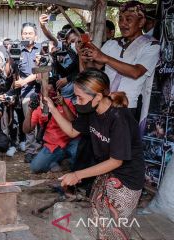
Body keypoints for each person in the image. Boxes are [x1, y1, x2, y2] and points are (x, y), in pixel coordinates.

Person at [46, 69, 144, 240]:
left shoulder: (119, 118)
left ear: (98, 97)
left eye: (80, 97)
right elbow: (71, 131)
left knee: (114, 232)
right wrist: (52, 108)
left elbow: (116, 161)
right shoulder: (90, 111)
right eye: (75, 96)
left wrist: (77, 175)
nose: (76, 102)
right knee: (96, 224)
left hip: (127, 179)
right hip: (105, 173)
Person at [80, 1, 160, 120]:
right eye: (120, 19)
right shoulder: (112, 43)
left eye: (128, 19)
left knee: (120, 138)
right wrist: (83, 58)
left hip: (127, 106)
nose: (123, 24)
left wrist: (105, 58)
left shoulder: (151, 45)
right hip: (104, 102)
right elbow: (92, 71)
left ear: (141, 22)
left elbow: (136, 72)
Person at [23, 86, 79, 173]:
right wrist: (30, 110)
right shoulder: (39, 108)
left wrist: (63, 104)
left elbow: (74, 121)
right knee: (35, 167)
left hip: (70, 141)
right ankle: (57, 162)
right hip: (52, 145)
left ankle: (66, 162)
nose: (48, 94)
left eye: (51, 91)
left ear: (56, 92)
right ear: (40, 94)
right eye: (45, 91)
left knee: (79, 152)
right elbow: (26, 130)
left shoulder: (66, 102)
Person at [14, 22, 41, 163]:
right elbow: (13, 72)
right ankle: (31, 151)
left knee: (43, 122)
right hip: (26, 93)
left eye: (30, 33)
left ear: (36, 36)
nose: (27, 35)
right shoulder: (17, 51)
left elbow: (41, 72)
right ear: (21, 35)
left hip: (43, 90)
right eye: (25, 33)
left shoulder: (42, 49)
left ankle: (41, 150)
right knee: (29, 121)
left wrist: (24, 81)